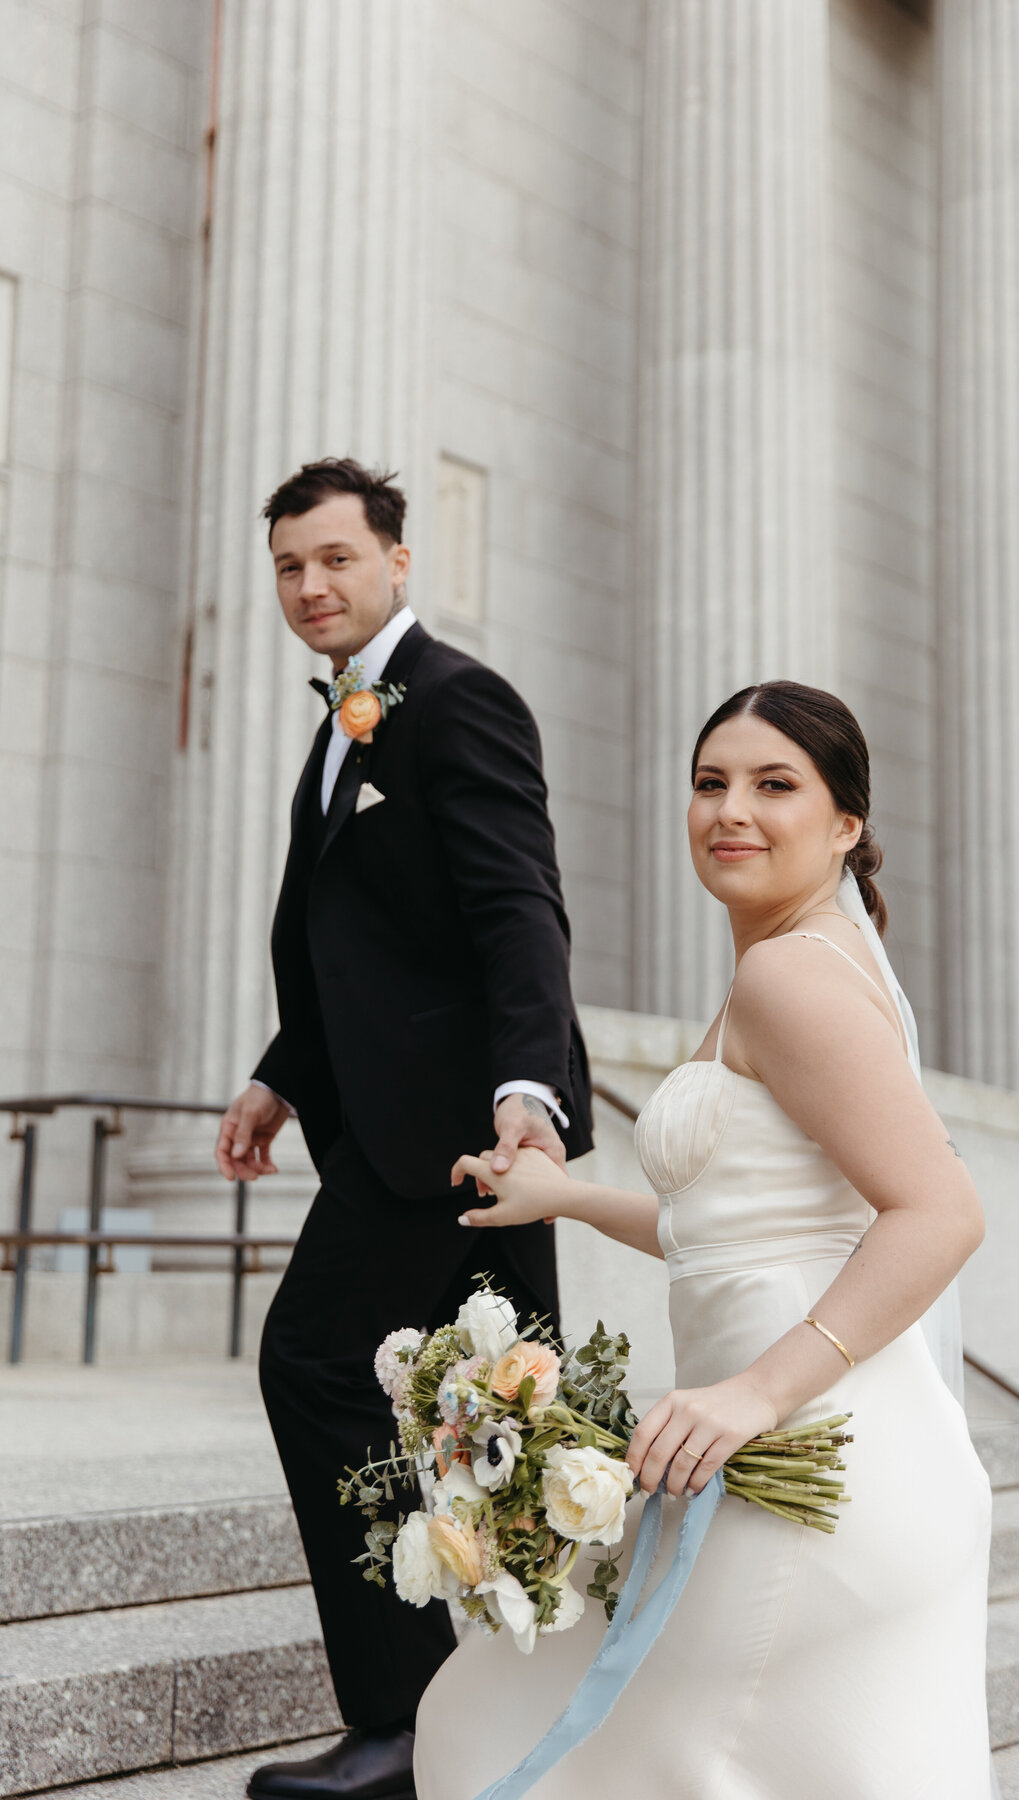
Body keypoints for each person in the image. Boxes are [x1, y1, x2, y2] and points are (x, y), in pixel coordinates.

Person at [416, 681, 994, 1799]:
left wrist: (754, 1397)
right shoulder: (788, 963)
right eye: (709, 783)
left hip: (814, 1474)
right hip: (786, 1466)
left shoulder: (789, 975)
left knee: (507, 1727)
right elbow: (735, 1234)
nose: (731, 809)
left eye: (775, 784)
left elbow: (943, 1211)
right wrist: (568, 1198)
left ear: (846, 825)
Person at [212, 458, 592, 1800]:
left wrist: (525, 1099)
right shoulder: (348, 720)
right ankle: (526, 1715)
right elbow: (361, 946)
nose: (311, 586)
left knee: (318, 1364)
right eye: (288, 567)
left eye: (335, 559)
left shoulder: (458, 699)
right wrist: (277, 1075)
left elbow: (516, 913)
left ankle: (399, 1724)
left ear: (397, 561)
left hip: (456, 1133)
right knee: (503, 1425)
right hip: (397, 1118)